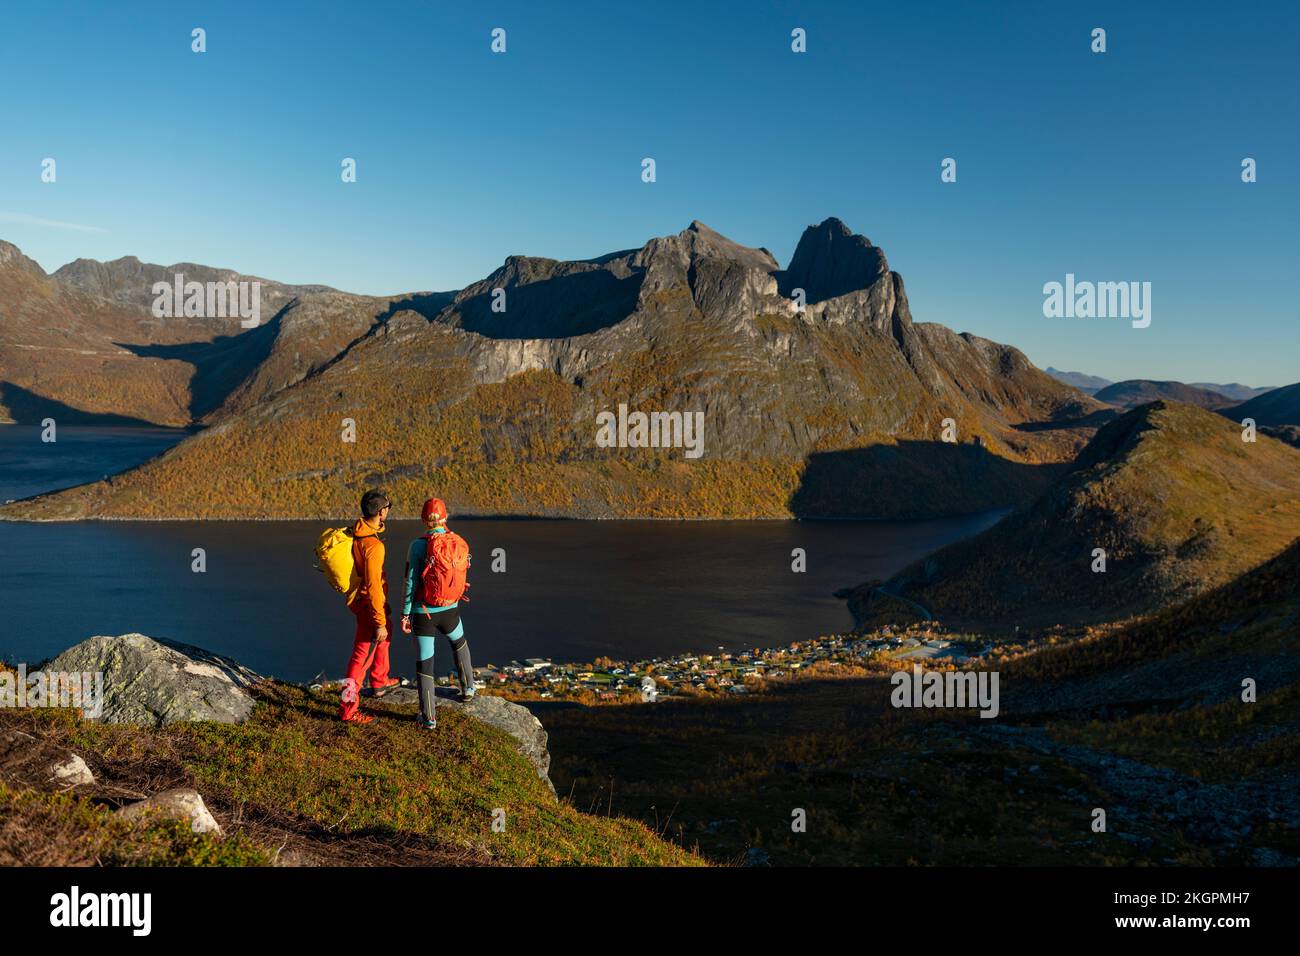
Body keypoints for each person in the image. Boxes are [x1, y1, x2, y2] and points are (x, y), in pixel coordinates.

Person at [401, 497, 475, 730]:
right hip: (451, 609)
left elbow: (410, 582)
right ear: (445, 517)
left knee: (426, 662)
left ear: (424, 519)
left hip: (424, 613)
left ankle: (429, 717)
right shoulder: (457, 542)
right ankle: (469, 688)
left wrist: (405, 615)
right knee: (459, 643)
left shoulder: (417, 545)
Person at [339, 488, 400, 723]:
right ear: (382, 511)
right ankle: (348, 709)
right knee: (360, 659)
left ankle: (380, 681)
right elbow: (374, 587)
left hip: (363, 601)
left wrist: (384, 619)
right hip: (368, 604)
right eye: (387, 508)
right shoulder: (374, 547)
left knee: (387, 633)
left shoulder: (357, 532)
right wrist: (379, 620)